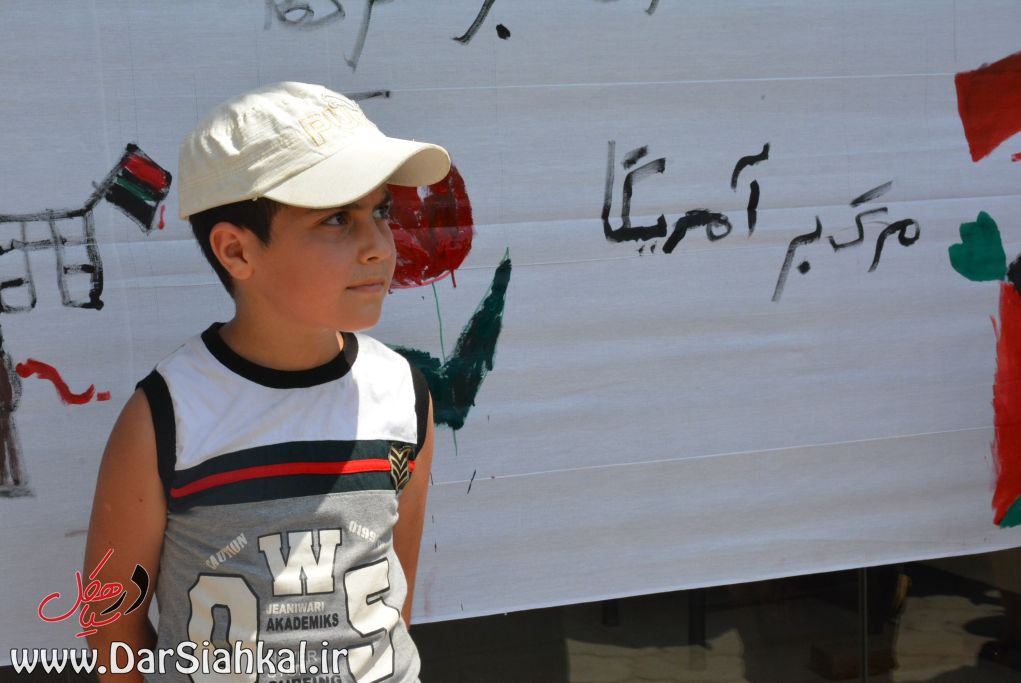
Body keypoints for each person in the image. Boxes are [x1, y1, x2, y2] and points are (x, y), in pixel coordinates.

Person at [84, 81, 450, 682]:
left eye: (380, 211)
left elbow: (394, 593)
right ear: (236, 251)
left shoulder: (403, 394)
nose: (379, 246)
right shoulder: (167, 416)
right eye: (337, 219)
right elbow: (109, 625)